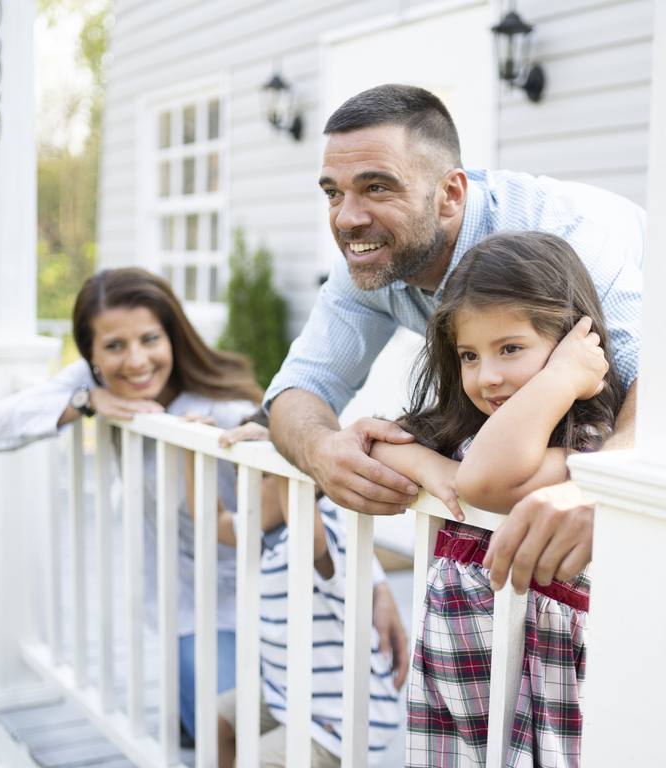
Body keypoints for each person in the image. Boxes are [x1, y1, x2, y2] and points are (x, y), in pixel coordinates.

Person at [0, 268, 409, 745]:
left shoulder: (220, 413)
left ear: (173, 336)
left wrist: (377, 586)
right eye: (114, 346)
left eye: (149, 339)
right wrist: (87, 399)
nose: (135, 361)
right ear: (92, 355)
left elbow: (303, 494)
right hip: (181, 600)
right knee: (213, 728)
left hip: (264, 598)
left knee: (258, 737)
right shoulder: (94, 384)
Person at [264, 84, 645, 594]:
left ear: (450, 194)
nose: (347, 217)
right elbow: (301, 387)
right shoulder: (370, 259)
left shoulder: (560, 233)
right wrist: (320, 450)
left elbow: (664, 382)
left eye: (377, 187)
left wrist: (603, 488)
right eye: (333, 192)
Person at [368, 231, 624, 768]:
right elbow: (377, 437)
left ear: (570, 346)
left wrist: (560, 380)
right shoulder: (464, 435)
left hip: (544, 672)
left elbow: (483, 481)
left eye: (511, 348)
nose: (486, 377)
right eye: (469, 355)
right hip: (463, 675)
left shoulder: (582, 446)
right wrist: (433, 465)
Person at [181, 415, 402, 768]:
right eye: (239, 475)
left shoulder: (323, 532)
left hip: (341, 714)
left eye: (260, 476)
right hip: (293, 694)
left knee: (256, 767)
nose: (244, 487)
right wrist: (195, 450)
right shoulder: (271, 535)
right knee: (217, 722)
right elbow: (211, 520)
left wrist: (281, 447)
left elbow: (307, 522)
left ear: (309, 482)